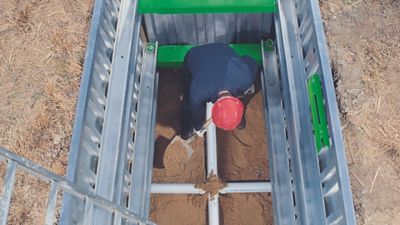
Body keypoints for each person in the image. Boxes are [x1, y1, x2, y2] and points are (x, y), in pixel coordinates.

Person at [181, 43, 259, 140]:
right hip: (195, 55)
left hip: (222, 49)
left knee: (244, 90)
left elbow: (252, 63)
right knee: (188, 101)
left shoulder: (245, 78)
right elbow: (196, 110)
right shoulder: (199, 91)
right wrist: (197, 126)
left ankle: (235, 115)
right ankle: (188, 127)